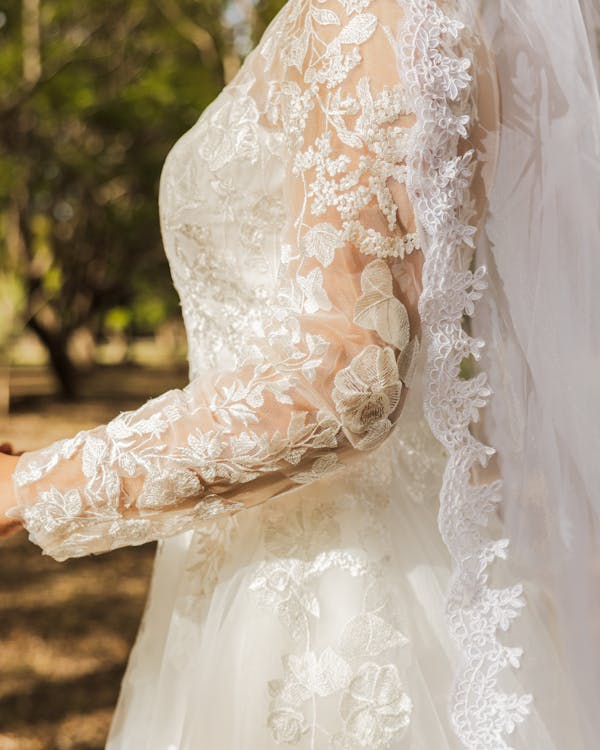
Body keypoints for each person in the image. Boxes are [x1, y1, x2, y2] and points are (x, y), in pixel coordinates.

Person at [1, 0, 599, 747]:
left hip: (331, 611)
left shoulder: (370, 15)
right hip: (243, 567)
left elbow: (346, 378)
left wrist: (37, 484)